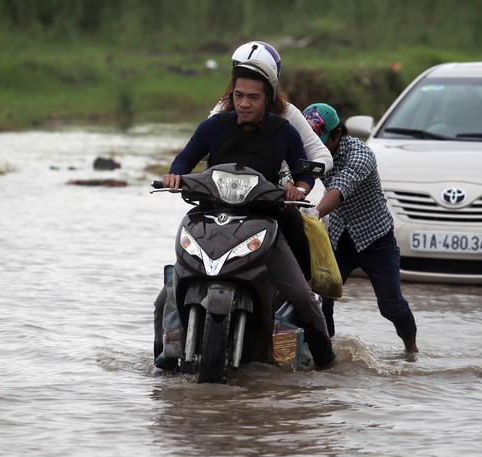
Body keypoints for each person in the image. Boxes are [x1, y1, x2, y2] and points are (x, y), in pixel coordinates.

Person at [155, 60, 335, 369]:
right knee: (163, 300)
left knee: (303, 298)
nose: (244, 103)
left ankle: (327, 365)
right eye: (239, 95)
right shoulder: (213, 127)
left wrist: (300, 189)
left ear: (268, 98)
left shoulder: (283, 131)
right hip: (210, 220)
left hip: (265, 221)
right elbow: (184, 160)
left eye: (253, 97)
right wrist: (174, 177)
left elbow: (303, 168)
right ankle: (163, 359)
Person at [209, 41, 333, 281]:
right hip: (226, 197)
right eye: (242, 78)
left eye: (255, 89)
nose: (245, 103)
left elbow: (321, 157)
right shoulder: (220, 112)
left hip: (272, 198)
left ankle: (303, 286)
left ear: (269, 86)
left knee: (296, 226)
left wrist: (296, 186)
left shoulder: (287, 116)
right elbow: (197, 151)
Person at [303, 103, 419, 353]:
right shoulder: (312, 154)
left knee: (391, 306)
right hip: (339, 239)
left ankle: (411, 349)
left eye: (320, 142)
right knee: (322, 300)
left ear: (337, 135)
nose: (316, 149)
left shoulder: (360, 155)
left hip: (375, 239)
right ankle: (325, 354)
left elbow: (339, 190)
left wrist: (310, 217)